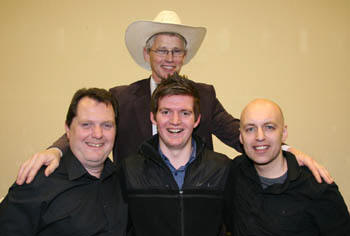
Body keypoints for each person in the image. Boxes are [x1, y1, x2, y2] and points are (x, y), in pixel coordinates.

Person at [15, 10, 332, 185]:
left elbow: (239, 133)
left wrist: (288, 151)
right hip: (134, 208)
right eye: (161, 50)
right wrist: (55, 151)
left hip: (192, 202)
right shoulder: (120, 97)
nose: (169, 58)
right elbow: (88, 128)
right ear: (146, 53)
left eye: (177, 50)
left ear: (185, 55)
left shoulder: (203, 96)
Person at [0, 88, 127, 236]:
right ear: (68, 129)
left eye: (107, 125)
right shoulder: (36, 182)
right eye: (86, 124)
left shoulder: (120, 181)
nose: (98, 134)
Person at [224, 99, 350, 236]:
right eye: (250, 129)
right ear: (241, 137)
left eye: (269, 127)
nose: (260, 136)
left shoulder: (317, 187)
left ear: (283, 133)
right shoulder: (236, 173)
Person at [121, 73, 230, 236]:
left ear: (197, 119)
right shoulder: (129, 170)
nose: (175, 121)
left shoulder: (222, 169)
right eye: (166, 112)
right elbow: (111, 232)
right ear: (153, 117)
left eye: (185, 113)